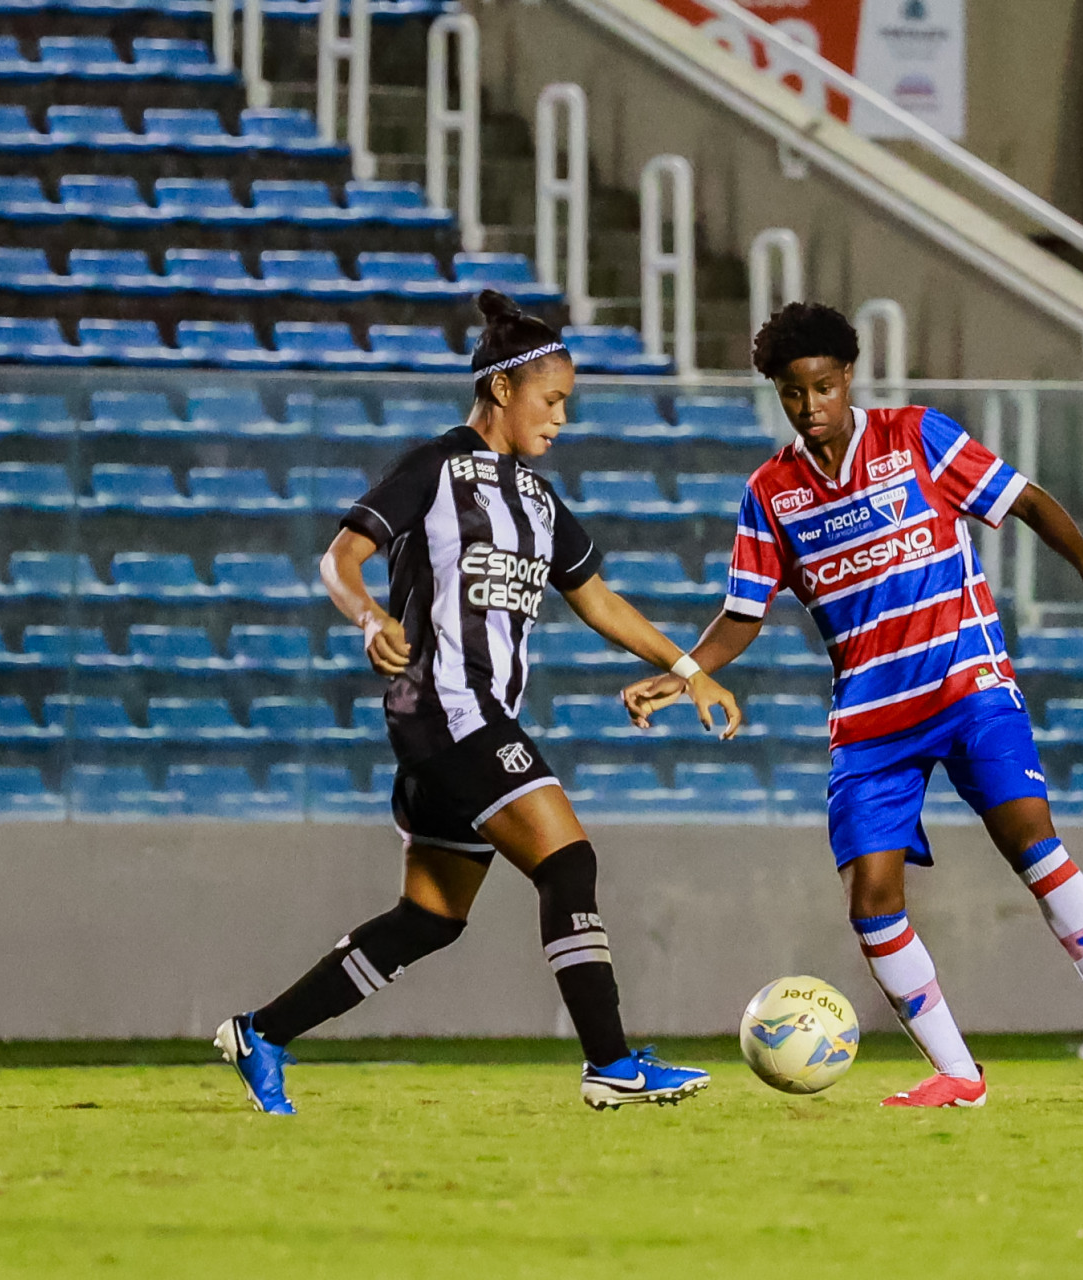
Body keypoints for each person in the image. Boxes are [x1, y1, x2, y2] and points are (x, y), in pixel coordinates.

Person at [620, 302, 1083, 1106]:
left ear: (848, 376)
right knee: (872, 901)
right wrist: (684, 671)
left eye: (822, 386)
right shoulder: (771, 492)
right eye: (792, 392)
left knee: (1032, 841)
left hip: (967, 684)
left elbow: (1024, 498)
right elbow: (743, 612)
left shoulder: (917, 436)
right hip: (871, 720)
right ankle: (958, 1073)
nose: (810, 405)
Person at [216, 291, 742, 1114]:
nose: (562, 418)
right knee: (568, 861)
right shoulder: (435, 468)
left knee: (431, 916)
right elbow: (340, 557)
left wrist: (687, 668)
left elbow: (598, 600)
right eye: (552, 399)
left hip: (466, 720)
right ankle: (610, 1063)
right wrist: (369, 616)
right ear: (502, 388)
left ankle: (262, 1033)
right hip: (446, 708)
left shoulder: (538, 501)